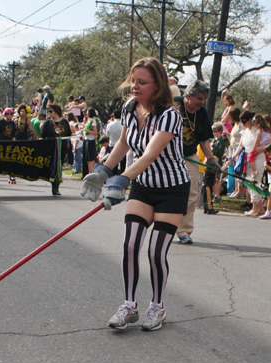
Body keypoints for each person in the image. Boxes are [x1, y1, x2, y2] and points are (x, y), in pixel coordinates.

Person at [79, 57, 191, 331]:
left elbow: (151, 153)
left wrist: (121, 181)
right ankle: (129, 305)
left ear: (157, 85)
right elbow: (125, 143)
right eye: (133, 81)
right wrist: (104, 171)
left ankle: (158, 306)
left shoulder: (170, 116)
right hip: (143, 185)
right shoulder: (130, 107)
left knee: (155, 252)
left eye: (142, 82)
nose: (134, 86)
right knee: (130, 245)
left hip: (172, 189)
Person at [175, 79, 219, 243]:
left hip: (190, 155)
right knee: (168, 191)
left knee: (192, 193)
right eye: (199, 98)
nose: (202, 102)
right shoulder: (173, 105)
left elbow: (203, 140)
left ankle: (184, 231)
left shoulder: (202, 113)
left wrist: (211, 159)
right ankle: (163, 225)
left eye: (203, 99)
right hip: (169, 156)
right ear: (188, 95)